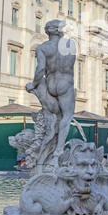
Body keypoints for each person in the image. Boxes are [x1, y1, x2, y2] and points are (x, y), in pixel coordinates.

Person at [26, 20, 76, 159]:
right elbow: (70, 64)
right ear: (59, 31)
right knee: (67, 116)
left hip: (50, 83)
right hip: (65, 83)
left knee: (53, 115)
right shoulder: (69, 44)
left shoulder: (42, 48)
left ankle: (47, 144)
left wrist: (33, 84)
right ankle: (59, 150)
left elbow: (40, 69)